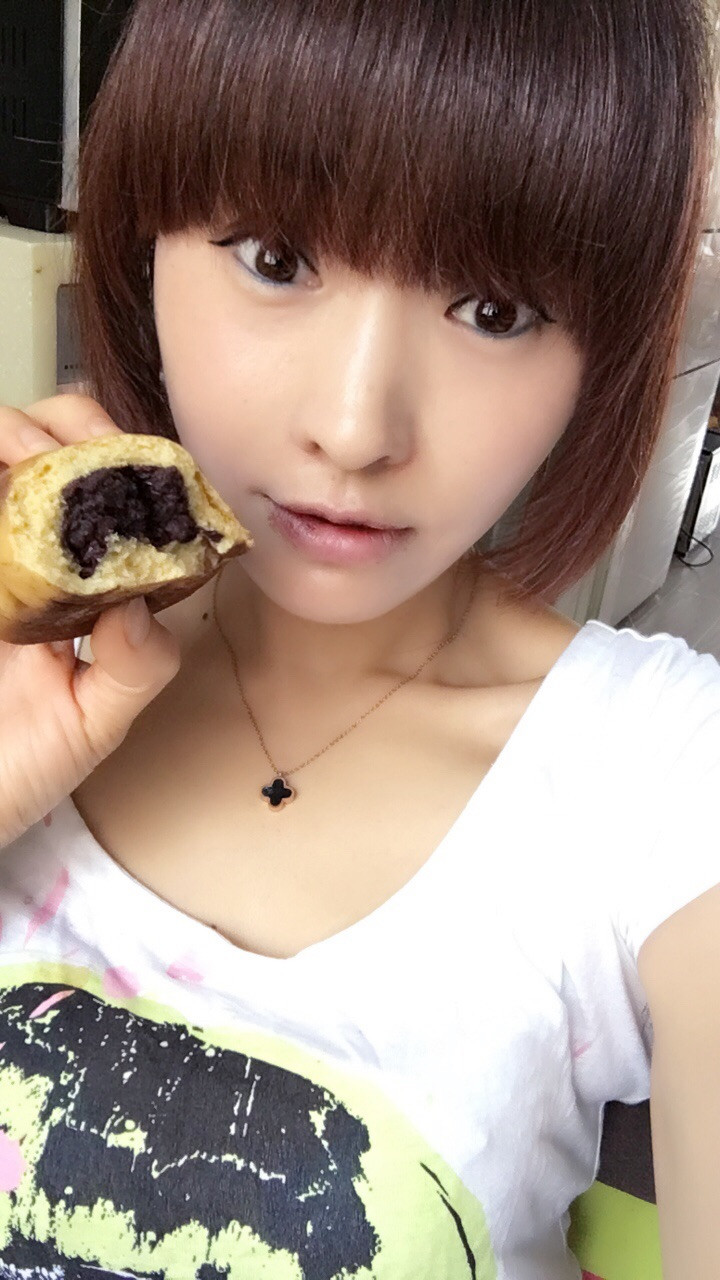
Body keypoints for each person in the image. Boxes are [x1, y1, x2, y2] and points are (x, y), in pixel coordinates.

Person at [0, 0, 718, 1275]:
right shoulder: (22, 666)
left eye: (495, 309)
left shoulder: (659, 776)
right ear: (141, 239)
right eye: (275, 257)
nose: (355, 426)